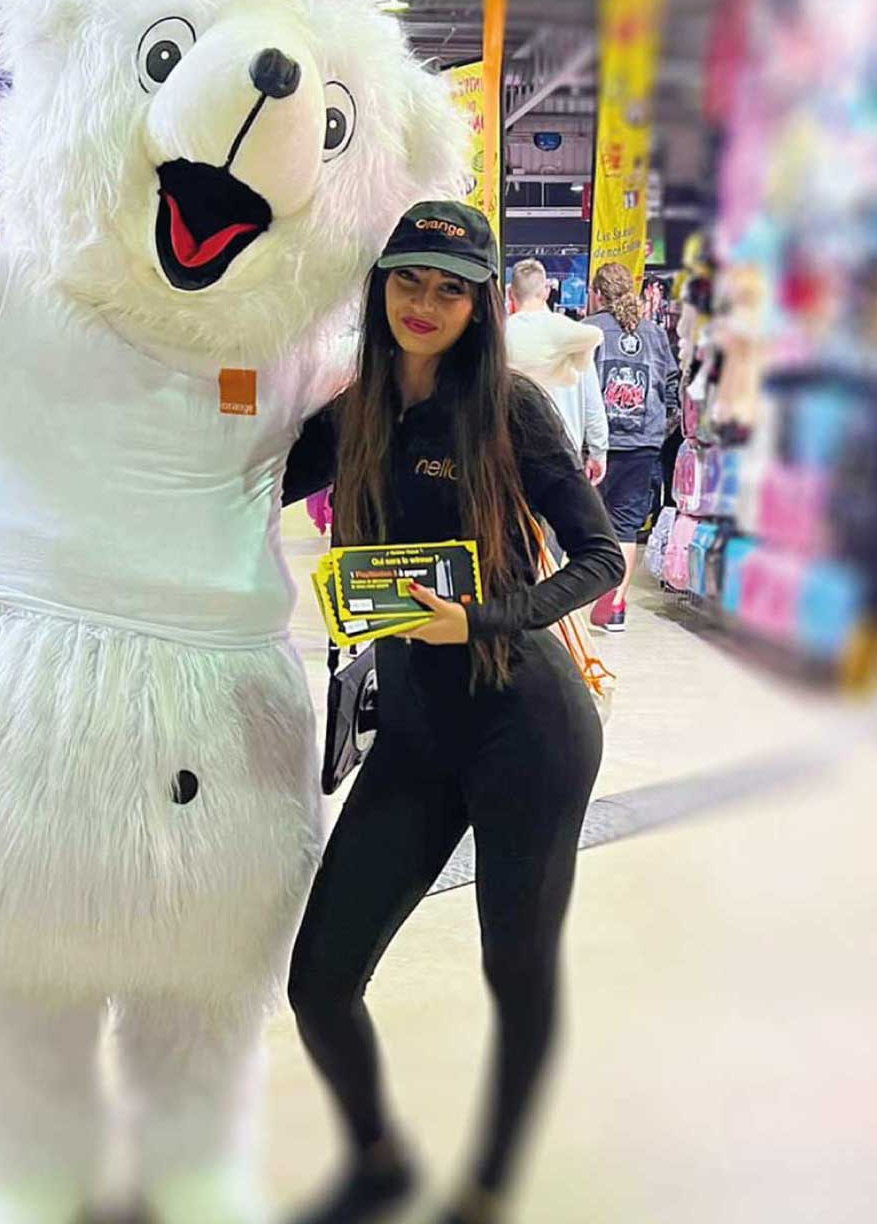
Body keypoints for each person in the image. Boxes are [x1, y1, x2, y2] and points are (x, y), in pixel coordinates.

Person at [280, 200, 623, 1224]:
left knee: (514, 968)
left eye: (449, 289)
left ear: (479, 305)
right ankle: (379, 1160)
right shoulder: (354, 412)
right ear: (380, 287)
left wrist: (479, 619)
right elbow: (237, 482)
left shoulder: (509, 408)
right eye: (408, 281)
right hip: (416, 736)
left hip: (529, 728)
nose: (424, 304)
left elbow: (601, 557)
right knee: (319, 984)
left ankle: (488, 1185)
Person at [585, 262, 679, 632]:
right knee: (625, 526)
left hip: (597, 445)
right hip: (643, 442)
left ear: (597, 294)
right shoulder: (654, 333)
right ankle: (616, 607)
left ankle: (575, 604)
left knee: (585, 523)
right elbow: (671, 384)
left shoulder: (588, 330)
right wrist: (662, 427)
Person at [503, 259, 608, 484]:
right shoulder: (573, 333)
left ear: (511, 293)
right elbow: (592, 402)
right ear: (547, 291)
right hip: (564, 458)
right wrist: (598, 451)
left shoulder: (499, 337)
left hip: (510, 458)